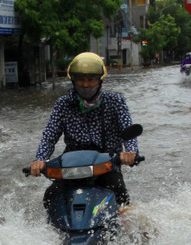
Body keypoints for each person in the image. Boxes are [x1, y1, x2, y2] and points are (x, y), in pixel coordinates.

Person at [30, 52, 138, 206]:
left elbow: (128, 130)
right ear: (73, 80)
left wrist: (131, 153)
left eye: (91, 79)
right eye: (81, 79)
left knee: (120, 195)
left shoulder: (115, 101)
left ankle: (127, 226)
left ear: (99, 80)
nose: (86, 85)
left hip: (106, 166)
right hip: (72, 167)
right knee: (50, 196)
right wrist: (39, 159)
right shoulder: (63, 104)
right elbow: (49, 136)